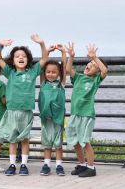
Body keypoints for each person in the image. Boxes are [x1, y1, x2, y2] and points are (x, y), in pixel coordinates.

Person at [0, 34, 48, 176]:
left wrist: (42, 44)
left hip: (26, 111)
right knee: (12, 140)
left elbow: (44, 59)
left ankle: (24, 165)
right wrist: (0, 46)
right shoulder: (10, 72)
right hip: (12, 110)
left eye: (23, 56)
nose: (20, 58)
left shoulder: (32, 72)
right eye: (17, 56)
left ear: (28, 59)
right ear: (13, 60)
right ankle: (12, 164)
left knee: (25, 139)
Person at [66, 43, 108, 177]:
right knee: (74, 141)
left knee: (85, 141)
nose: (90, 65)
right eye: (90, 63)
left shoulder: (95, 80)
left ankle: (91, 167)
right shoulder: (78, 77)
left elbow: (104, 71)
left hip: (86, 115)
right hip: (74, 114)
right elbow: (68, 69)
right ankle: (82, 164)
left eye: (94, 65)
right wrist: (71, 56)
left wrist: (95, 58)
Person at [38, 44, 67, 176]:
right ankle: (46, 164)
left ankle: (59, 166)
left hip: (58, 120)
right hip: (46, 119)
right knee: (47, 144)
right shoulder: (43, 83)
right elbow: (43, 64)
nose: (50, 74)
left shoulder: (61, 84)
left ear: (59, 73)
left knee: (58, 144)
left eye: (54, 72)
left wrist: (63, 52)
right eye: (48, 72)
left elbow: (64, 66)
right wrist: (46, 52)